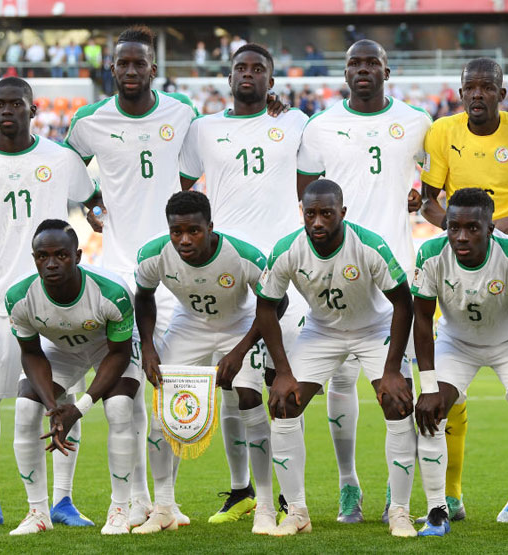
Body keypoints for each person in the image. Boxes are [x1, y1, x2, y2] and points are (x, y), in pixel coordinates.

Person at [0, 27, 200, 528]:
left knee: (167, 391)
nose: (130, 71)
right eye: (122, 63)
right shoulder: (88, 122)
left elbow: (195, 169)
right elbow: (69, 171)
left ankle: (165, 502)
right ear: (111, 69)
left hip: (171, 272)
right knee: (127, 397)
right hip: (118, 271)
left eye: (139, 63)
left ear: (152, 68)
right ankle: (136, 500)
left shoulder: (182, 112)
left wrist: (271, 109)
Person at [0, 77, 97, 529]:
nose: (7, 110)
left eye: (16, 103)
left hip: (53, 302)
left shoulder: (60, 157)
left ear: (33, 109)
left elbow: (92, 199)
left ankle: (63, 501)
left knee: (61, 398)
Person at [296, 38, 431, 524]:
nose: (363, 69)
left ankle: (412, 492)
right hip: (337, 269)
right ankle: (348, 484)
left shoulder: (418, 122)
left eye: (372, 62)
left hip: (395, 270)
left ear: (387, 71)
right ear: (345, 72)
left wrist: (419, 198)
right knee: (340, 379)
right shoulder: (320, 126)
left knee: (400, 386)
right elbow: (306, 196)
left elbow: (436, 182)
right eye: (354, 62)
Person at [179, 43, 308, 525]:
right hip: (227, 272)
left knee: (282, 388)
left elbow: (312, 185)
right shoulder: (203, 129)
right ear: (228, 77)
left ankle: (286, 497)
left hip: (283, 270)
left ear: (271, 81)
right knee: (234, 387)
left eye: (258, 69)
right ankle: (242, 491)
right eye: (240, 68)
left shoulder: (295, 123)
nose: (248, 74)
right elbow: (181, 188)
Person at [419, 56, 508, 523]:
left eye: (486, 87)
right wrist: (459, 232)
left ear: (501, 93)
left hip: (506, 260)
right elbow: (428, 200)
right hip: (460, 259)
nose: (477, 94)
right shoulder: (441, 132)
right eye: (469, 87)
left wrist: (505, 225)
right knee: (444, 400)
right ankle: (450, 496)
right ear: (460, 94)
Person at [256, 179, 417, 537]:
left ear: (342, 213)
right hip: (322, 331)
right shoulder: (287, 249)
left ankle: (399, 511)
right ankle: (297, 511)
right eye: (310, 213)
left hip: (373, 329)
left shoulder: (369, 245)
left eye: (326, 214)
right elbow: (265, 308)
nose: (317, 222)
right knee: (283, 403)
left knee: (398, 402)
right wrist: (283, 371)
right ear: (302, 212)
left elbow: (403, 304)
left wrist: (393, 369)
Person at [133, 191, 286, 534]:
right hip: (189, 325)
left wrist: (241, 350)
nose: (184, 240)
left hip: (240, 324)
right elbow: (143, 297)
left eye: (194, 231)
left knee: (249, 397)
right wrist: (148, 345)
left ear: (210, 227)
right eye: (176, 232)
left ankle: (263, 505)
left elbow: (279, 302)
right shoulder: (153, 255)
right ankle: (164, 507)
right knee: (163, 406)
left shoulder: (243, 256)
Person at [412, 188, 508, 539]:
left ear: (490, 228)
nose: (461, 236)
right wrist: (427, 386)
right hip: (457, 344)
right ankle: (436, 511)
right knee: (431, 410)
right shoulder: (430, 253)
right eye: (454, 227)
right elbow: (422, 320)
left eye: (472, 228)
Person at [5, 220, 141, 535]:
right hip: (62, 350)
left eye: (61, 255)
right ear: (34, 258)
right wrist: (52, 407)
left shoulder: (112, 292)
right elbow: (31, 353)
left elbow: (119, 354)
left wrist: (79, 408)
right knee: (25, 409)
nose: (51, 263)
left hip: (108, 349)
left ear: (77, 256)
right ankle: (38, 512)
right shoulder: (18, 296)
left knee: (119, 408)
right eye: (43, 256)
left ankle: (120, 509)